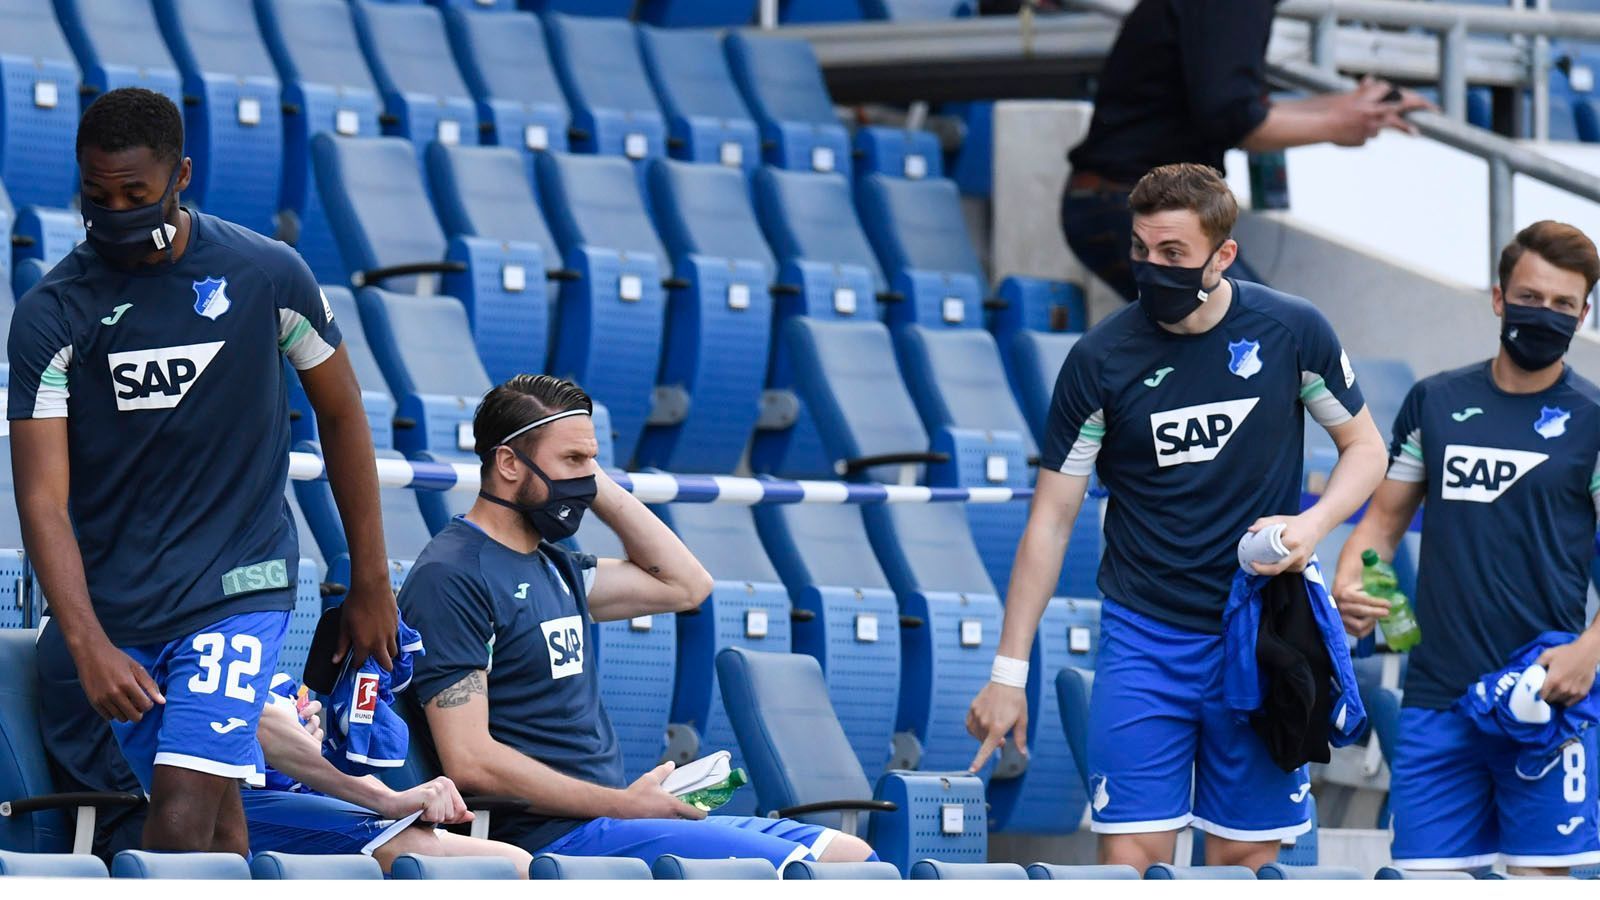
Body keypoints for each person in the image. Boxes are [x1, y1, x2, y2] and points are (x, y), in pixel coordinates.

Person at [966, 162, 1388, 872]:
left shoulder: (1291, 330)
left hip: (1259, 635)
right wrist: (1009, 673)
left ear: (1222, 256)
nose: (1151, 268)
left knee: (1243, 863)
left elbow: (1366, 449)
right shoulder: (1099, 361)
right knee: (1130, 862)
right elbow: (1050, 522)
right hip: (1145, 640)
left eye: (1173, 255)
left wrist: (1310, 529)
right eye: (1141, 250)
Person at [7, 87, 396, 855]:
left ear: (181, 175)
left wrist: (372, 583)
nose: (115, 211)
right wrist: (85, 642)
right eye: (97, 195)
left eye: (135, 195)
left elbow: (346, 418)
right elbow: (41, 498)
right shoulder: (52, 313)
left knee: (181, 809)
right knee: (218, 822)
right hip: (122, 606)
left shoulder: (267, 275)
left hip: (239, 588)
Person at [401, 374, 878, 869]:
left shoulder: (555, 565)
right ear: (507, 463)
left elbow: (686, 585)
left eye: (592, 462)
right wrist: (625, 805)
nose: (585, 479)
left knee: (852, 857)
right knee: (797, 873)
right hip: (550, 839)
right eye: (572, 461)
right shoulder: (452, 576)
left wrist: (591, 479)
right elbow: (471, 762)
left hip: (614, 822)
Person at [1334, 221, 1600, 874]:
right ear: (1498, 297)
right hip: (1436, 701)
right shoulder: (1437, 401)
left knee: (1541, 885)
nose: (1546, 314)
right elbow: (1381, 524)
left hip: (1543, 698)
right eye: (1531, 297)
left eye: (1565, 305)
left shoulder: (1596, 420)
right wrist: (1352, 577)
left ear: (1585, 313)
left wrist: (1588, 653)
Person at [1064, 0, 1430, 301]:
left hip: (1125, 201)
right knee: (1263, 337)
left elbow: (1237, 110)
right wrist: (1337, 123)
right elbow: (1233, 118)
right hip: (1131, 203)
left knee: (1256, 342)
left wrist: (1348, 107)